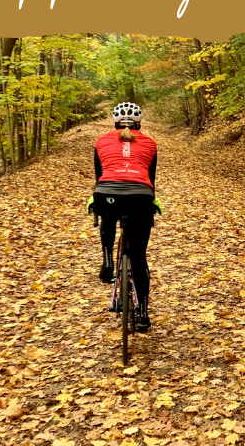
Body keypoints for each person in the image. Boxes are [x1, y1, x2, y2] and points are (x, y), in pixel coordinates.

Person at [87, 102, 162, 332]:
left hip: (106, 194)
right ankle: (142, 313)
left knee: (107, 209)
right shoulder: (150, 143)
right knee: (138, 256)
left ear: (115, 122)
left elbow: (99, 176)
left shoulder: (101, 141)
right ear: (139, 122)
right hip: (140, 196)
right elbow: (151, 178)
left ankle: (108, 260)